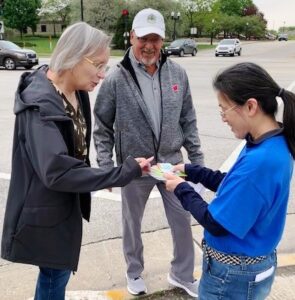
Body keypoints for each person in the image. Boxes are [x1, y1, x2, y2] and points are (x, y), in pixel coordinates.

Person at [1, 22, 153, 300]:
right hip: (44, 210)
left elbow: (79, 148)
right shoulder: (40, 106)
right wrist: (120, 173)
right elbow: (57, 171)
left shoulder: (77, 91)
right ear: (73, 56)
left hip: (63, 205)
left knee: (56, 273)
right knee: (54, 276)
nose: (102, 75)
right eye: (98, 65)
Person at [93, 8, 204, 297]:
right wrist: (107, 168)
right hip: (135, 167)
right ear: (132, 37)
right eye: (143, 38)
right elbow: (102, 125)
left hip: (171, 164)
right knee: (132, 223)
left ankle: (181, 274)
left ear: (163, 39)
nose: (149, 45)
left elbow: (188, 119)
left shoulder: (177, 73)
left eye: (155, 38)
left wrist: (198, 161)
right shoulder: (116, 77)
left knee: (182, 217)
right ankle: (134, 272)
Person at [164, 62, 295, 300]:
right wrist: (191, 171)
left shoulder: (260, 162)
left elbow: (215, 223)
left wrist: (180, 188)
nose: (223, 118)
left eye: (224, 109)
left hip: (233, 276)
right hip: (251, 265)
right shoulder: (271, 142)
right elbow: (234, 185)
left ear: (251, 106)